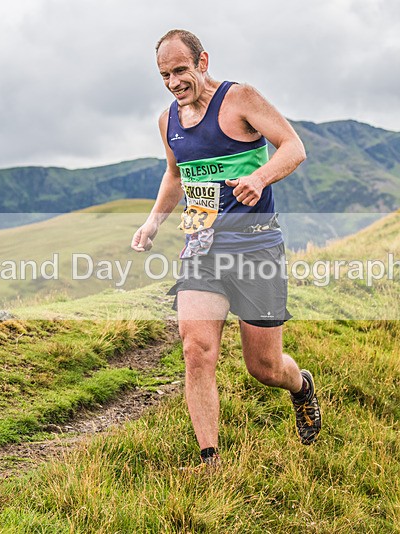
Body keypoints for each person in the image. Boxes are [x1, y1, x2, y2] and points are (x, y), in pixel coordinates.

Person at [131, 29, 321, 468]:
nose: (174, 82)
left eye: (181, 70)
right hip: (201, 248)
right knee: (196, 350)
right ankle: (210, 461)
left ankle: (301, 386)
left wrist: (260, 178)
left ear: (202, 61)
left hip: (256, 248)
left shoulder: (240, 99)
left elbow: (294, 147)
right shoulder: (168, 122)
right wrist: (152, 222)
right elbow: (176, 176)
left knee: (265, 367)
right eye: (164, 75)